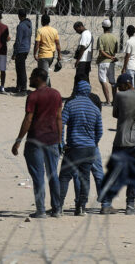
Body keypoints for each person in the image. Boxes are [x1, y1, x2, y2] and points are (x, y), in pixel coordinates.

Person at [12, 67, 63, 218]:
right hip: (52, 140)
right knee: (53, 174)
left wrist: (18, 140)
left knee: (38, 176)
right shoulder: (56, 94)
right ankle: (57, 209)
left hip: (36, 140)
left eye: (31, 77)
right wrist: (59, 139)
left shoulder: (33, 96)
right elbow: (59, 118)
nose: (29, 79)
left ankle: (41, 210)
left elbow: (28, 119)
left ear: (38, 78)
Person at [100, 72, 135, 214]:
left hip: (121, 140)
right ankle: (130, 205)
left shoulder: (120, 96)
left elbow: (115, 114)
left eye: (119, 86)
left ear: (126, 84)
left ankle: (106, 203)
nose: (118, 88)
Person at [58, 79, 103, 215]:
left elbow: (61, 124)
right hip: (89, 149)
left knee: (65, 177)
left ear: (77, 90)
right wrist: (93, 143)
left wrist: (62, 143)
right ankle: (81, 207)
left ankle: (58, 207)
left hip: (74, 147)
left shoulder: (70, 105)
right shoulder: (95, 109)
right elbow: (100, 131)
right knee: (85, 178)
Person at [96, 18, 119, 105]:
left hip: (103, 61)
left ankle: (108, 101)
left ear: (103, 27)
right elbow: (115, 50)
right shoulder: (114, 37)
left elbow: (101, 51)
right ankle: (114, 101)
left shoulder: (101, 37)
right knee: (112, 81)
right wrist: (111, 57)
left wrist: (108, 56)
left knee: (103, 81)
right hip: (111, 62)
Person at [12, 9, 33, 93]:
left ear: (19, 16)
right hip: (26, 48)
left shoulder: (21, 26)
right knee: (21, 69)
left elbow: (18, 40)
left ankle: (22, 87)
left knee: (20, 69)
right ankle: (19, 86)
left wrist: (15, 53)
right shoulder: (29, 24)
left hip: (21, 49)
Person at [34, 13, 60, 78]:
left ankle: (47, 84)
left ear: (42, 21)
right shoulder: (54, 30)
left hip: (43, 55)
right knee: (45, 73)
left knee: (44, 75)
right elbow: (57, 44)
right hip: (51, 55)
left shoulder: (40, 31)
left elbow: (37, 44)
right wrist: (59, 55)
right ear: (49, 21)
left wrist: (34, 54)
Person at [122, 25, 135, 90]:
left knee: (130, 84)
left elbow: (127, 56)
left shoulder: (129, 42)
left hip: (131, 65)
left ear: (127, 32)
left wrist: (124, 67)